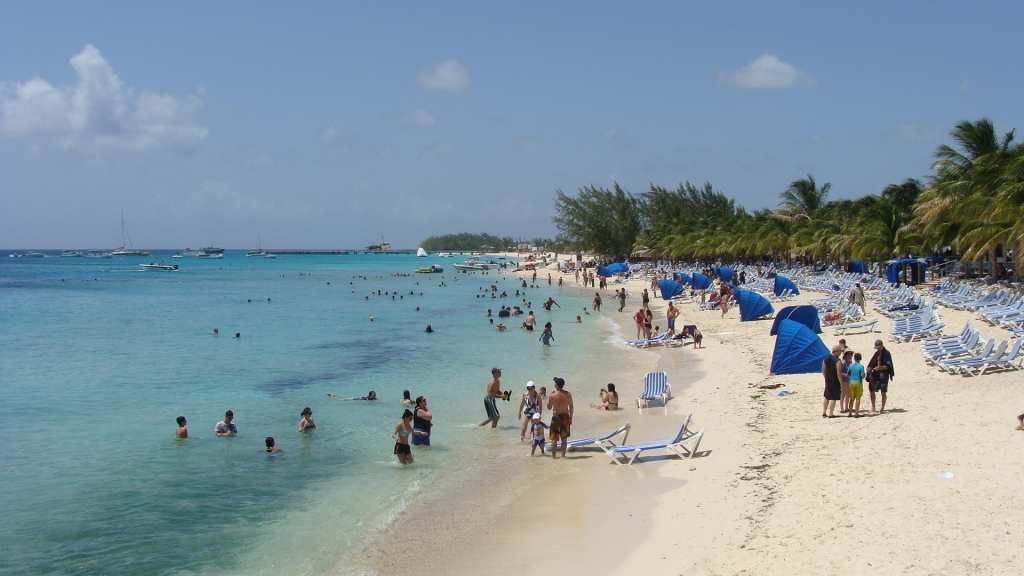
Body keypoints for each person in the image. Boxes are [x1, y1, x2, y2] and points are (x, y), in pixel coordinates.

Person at [547, 377, 574, 459]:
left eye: (555, 382)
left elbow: (549, 407)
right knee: (564, 438)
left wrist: (549, 397)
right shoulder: (568, 394)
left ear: (556, 385)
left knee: (554, 438)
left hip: (556, 417)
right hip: (566, 416)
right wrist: (571, 418)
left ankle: (554, 457)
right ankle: (562, 455)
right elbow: (571, 407)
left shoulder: (553, 395)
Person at [867, 339, 894, 413]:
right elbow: (871, 363)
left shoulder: (887, 353)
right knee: (871, 389)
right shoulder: (876, 354)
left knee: (883, 391)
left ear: (882, 345)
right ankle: (873, 407)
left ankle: (882, 408)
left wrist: (880, 368)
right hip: (876, 374)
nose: (878, 349)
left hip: (884, 374)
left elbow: (888, 365)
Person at [821, 345, 843, 418]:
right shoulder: (838, 361)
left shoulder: (826, 359)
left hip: (828, 379)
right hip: (835, 379)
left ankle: (824, 412)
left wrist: (825, 377)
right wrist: (841, 382)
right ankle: (831, 413)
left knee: (827, 396)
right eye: (840, 351)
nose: (841, 353)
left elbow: (823, 369)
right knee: (833, 397)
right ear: (836, 352)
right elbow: (838, 372)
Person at [848, 352, 866, 417]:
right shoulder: (861, 366)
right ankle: (856, 413)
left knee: (851, 398)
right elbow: (862, 376)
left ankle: (850, 413)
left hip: (851, 382)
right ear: (860, 359)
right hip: (858, 382)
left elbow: (848, 374)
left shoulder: (851, 365)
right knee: (858, 398)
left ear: (854, 358)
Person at [840, 350, 853, 414]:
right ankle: (841, 408)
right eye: (848, 354)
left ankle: (846, 407)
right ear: (845, 355)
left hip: (849, 379)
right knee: (843, 394)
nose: (850, 355)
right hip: (843, 379)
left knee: (848, 393)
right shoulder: (843, 362)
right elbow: (839, 372)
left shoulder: (850, 362)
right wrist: (846, 375)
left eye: (851, 354)